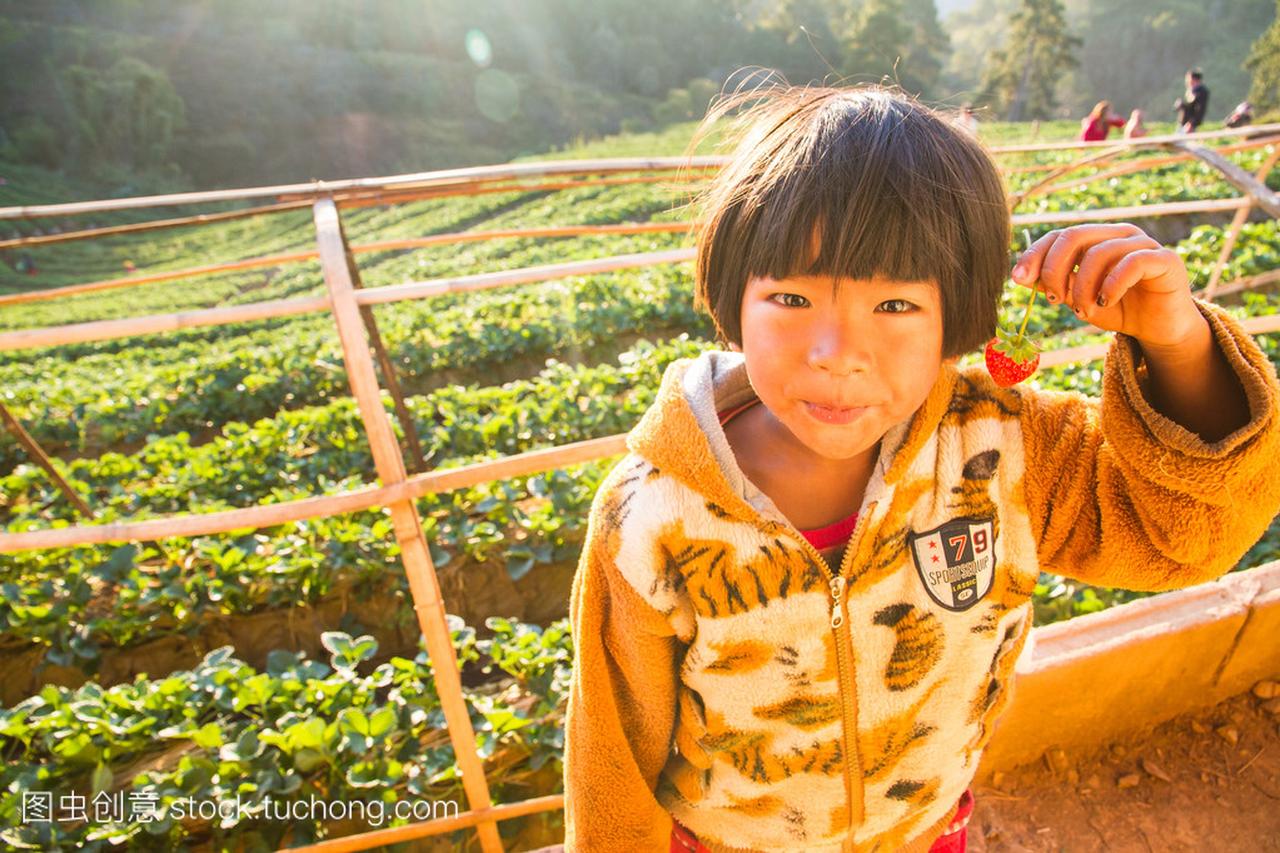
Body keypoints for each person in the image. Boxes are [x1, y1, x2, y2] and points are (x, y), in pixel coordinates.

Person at [562, 84, 1280, 852]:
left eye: (896, 305)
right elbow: (612, 757)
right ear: (733, 293)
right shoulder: (652, 514)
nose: (836, 354)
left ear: (959, 316)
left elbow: (1183, 537)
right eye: (792, 296)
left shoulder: (1005, 451)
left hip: (927, 832)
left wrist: (1179, 349)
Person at [1175, 69, 1210, 133]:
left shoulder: (1201, 92)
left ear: (1194, 79)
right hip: (1183, 122)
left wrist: (1192, 123)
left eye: (1188, 78)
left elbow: (1199, 110)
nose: (1187, 81)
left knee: (1184, 141)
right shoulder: (1191, 90)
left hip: (1189, 124)